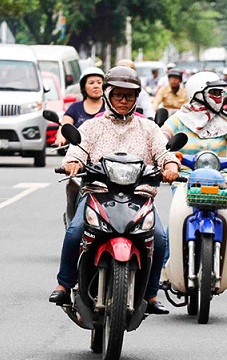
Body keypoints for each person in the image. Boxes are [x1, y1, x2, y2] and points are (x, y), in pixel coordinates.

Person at [48, 66, 180, 315]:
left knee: (160, 239)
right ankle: (64, 284)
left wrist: (171, 165)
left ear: (136, 98)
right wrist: (72, 162)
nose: (123, 100)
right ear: (108, 94)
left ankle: (151, 294)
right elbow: (78, 148)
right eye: (118, 94)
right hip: (97, 194)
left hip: (139, 197)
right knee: (75, 231)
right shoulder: (92, 126)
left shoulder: (148, 128)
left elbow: (165, 152)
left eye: (129, 96)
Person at [160, 72, 227, 274]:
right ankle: (163, 270)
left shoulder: (225, 120)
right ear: (198, 94)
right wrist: (165, 155)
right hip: (185, 181)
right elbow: (161, 138)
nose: (220, 97)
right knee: (175, 224)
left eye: (220, 93)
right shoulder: (180, 119)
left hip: (222, 182)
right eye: (214, 92)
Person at [54, 67, 105, 147]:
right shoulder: (75, 108)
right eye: (91, 83)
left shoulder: (109, 108)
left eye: (99, 83)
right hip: (79, 151)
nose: (96, 86)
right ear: (83, 87)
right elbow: (65, 125)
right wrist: (61, 137)